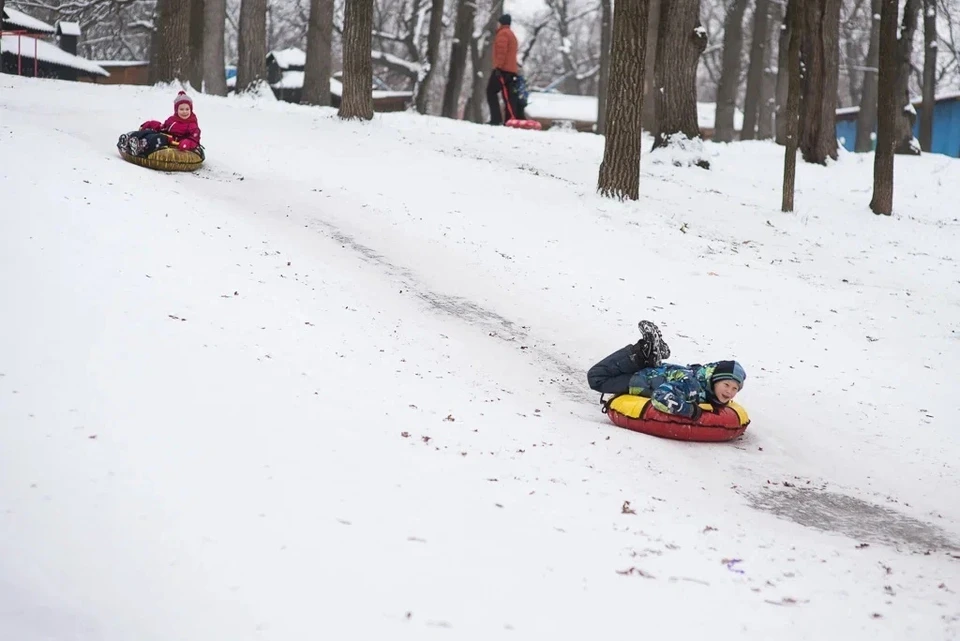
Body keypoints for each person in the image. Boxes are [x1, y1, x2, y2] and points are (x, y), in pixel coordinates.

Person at [587, 321, 746, 421]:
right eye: (726, 384)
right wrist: (689, 410)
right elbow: (660, 397)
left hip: (657, 373)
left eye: (735, 389)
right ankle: (641, 351)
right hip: (643, 381)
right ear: (715, 380)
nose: (730, 392)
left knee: (600, 376)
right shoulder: (692, 386)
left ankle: (647, 355)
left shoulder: (705, 388)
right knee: (596, 377)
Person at [121, 91, 202, 157]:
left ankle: (141, 148)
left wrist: (186, 143)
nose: (184, 112)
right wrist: (150, 124)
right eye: (181, 109)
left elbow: (194, 139)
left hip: (174, 142)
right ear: (176, 110)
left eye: (187, 109)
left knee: (157, 138)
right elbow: (163, 127)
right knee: (149, 132)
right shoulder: (172, 119)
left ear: (191, 110)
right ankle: (130, 139)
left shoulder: (192, 124)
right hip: (166, 135)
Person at [486, 14, 525, 125]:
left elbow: (501, 52)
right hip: (511, 70)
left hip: (502, 69)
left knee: (490, 92)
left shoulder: (502, 34)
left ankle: (496, 119)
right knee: (508, 96)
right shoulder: (512, 35)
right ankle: (510, 120)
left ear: (501, 23)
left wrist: (498, 67)